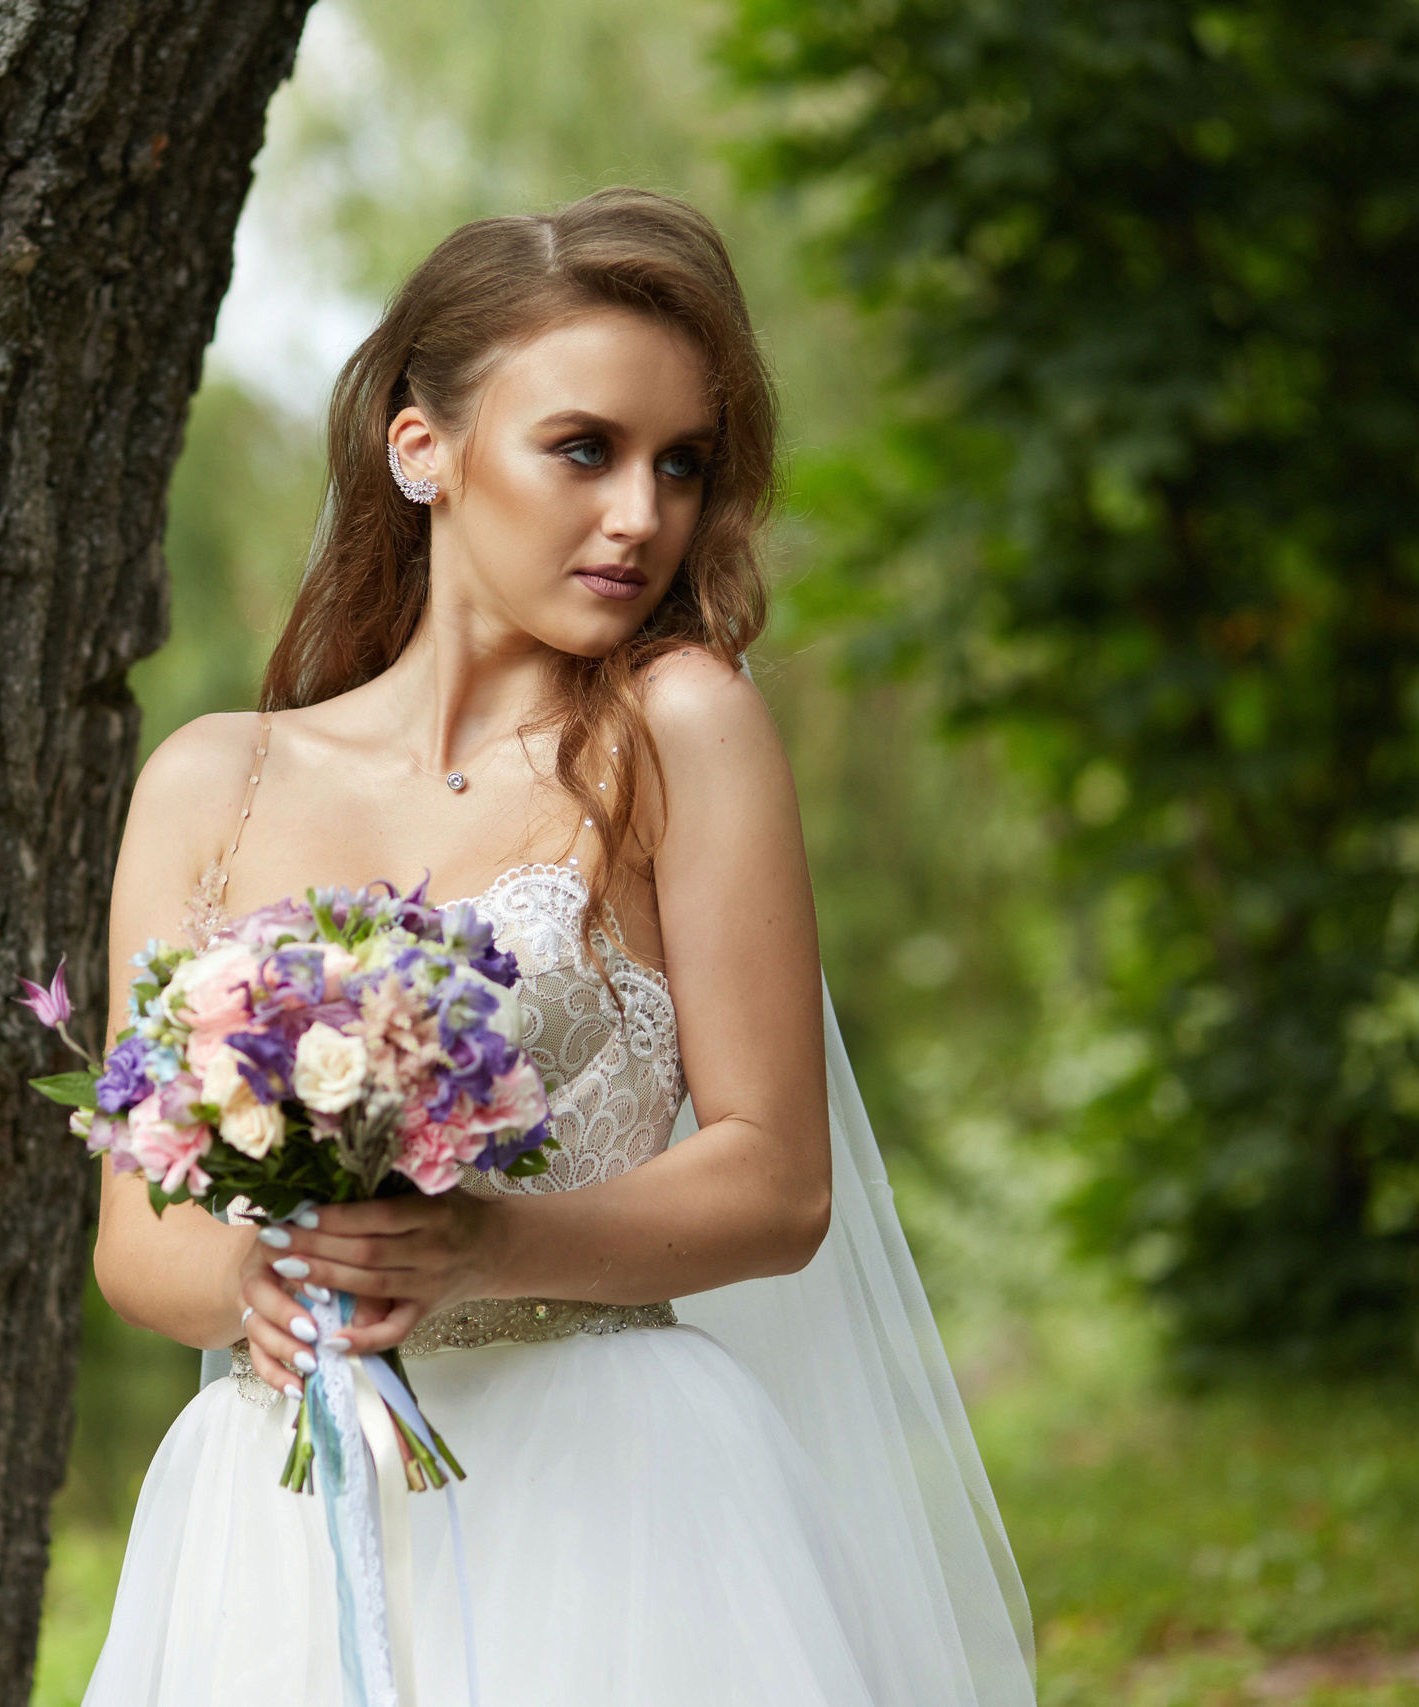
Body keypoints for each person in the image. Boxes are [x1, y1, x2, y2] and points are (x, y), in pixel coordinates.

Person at [80, 189, 1037, 1705]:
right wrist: (256, 1282)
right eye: (585, 449)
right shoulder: (213, 779)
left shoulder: (679, 727)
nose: (642, 515)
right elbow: (139, 1240)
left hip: (619, 1497)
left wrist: (487, 1244)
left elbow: (779, 1182)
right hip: (287, 1499)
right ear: (423, 448)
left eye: (682, 464)